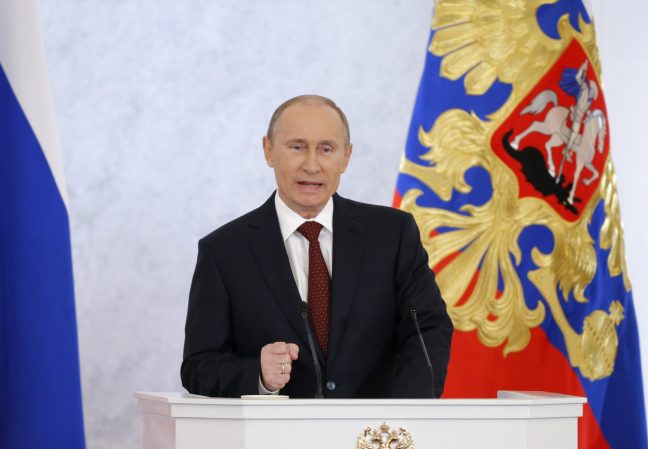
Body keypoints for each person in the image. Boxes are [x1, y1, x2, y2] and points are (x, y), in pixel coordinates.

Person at [181, 95, 452, 398]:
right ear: (268, 151)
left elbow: (429, 329)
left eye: (326, 149)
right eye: (297, 147)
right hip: (276, 438)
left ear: (346, 157)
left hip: (374, 438)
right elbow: (198, 365)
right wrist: (258, 375)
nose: (311, 165)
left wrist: (399, 415)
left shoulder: (393, 234)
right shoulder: (224, 252)